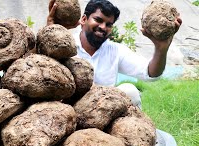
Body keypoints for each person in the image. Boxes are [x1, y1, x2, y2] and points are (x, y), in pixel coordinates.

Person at [47, 0, 182, 108]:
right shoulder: (63, 45)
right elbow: (37, 65)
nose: (103, 27)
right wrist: (51, 33)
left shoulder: (115, 51)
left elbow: (151, 73)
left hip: (103, 112)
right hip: (66, 111)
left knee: (130, 91)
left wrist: (161, 48)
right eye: (98, 20)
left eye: (109, 24)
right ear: (83, 19)